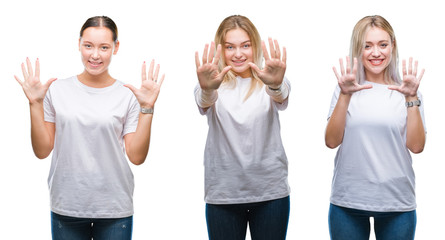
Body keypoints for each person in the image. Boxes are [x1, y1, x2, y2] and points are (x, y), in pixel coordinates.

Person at [14, 16, 164, 240]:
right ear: (79, 44)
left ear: (116, 47)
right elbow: (42, 150)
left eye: (104, 47)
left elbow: (136, 156)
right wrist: (34, 104)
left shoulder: (128, 94)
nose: (95, 55)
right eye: (88, 46)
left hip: (114, 206)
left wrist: (147, 108)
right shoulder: (57, 90)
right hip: (68, 204)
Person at [325, 15, 426, 240]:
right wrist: (344, 95)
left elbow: (417, 146)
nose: (376, 53)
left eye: (383, 44)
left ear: (393, 46)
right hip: (348, 201)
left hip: (397, 203)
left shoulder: (409, 90)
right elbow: (331, 141)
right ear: (358, 49)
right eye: (367, 46)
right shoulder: (345, 88)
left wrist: (411, 97)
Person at [194, 15, 291, 240]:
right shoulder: (212, 83)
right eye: (230, 47)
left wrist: (275, 84)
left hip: (270, 192)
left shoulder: (270, 79)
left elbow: (281, 98)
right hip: (224, 194)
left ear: (254, 46)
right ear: (221, 49)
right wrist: (208, 88)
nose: (238, 54)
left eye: (245, 46)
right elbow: (203, 103)